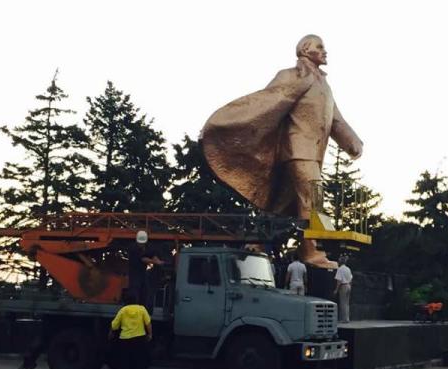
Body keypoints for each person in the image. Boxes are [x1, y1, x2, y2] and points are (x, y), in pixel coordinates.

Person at [202, 35, 363, 268]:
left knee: (280, 203)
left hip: (314, 154)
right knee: (314, 197)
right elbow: (265, 106)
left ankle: (256, 243)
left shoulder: (324, 86)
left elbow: (335, 120)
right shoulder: (290, 76)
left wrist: (352, 142)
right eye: (320, 47)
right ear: (306, 50)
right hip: (297, 150)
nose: (325, 51)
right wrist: (234, 125)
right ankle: (310, 251)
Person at [109, 292, 152, 369]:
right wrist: (149, 334)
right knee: (139, 359)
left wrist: (111, 333)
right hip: (139, 338)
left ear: (126, 301)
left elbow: (114, 324)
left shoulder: (123, 310)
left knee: (124, 360)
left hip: (125, 338)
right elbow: (148, 323)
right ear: (136, 301)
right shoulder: (142, 309)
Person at [128, 230, 165, 313]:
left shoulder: (147, 247)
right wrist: (156, 262)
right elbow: (143, 258)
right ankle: (133, 309)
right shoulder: (133, 248)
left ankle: (143, 309)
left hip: (142, 274)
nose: (141, 244)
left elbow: (152, 254)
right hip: (135, 274)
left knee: (145, 291)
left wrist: (156, 259)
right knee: (135, 291)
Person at [333, 256, 353, 323]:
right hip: (348, 286)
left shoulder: (340, 269)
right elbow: (351, 279)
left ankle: (344, 319)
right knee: (347, 303)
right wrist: (350, 286)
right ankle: (347, 318)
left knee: (343, 303)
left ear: (340, 262)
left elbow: (339, 281)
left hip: (343, 286)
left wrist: (336, 289)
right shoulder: (348, 269)